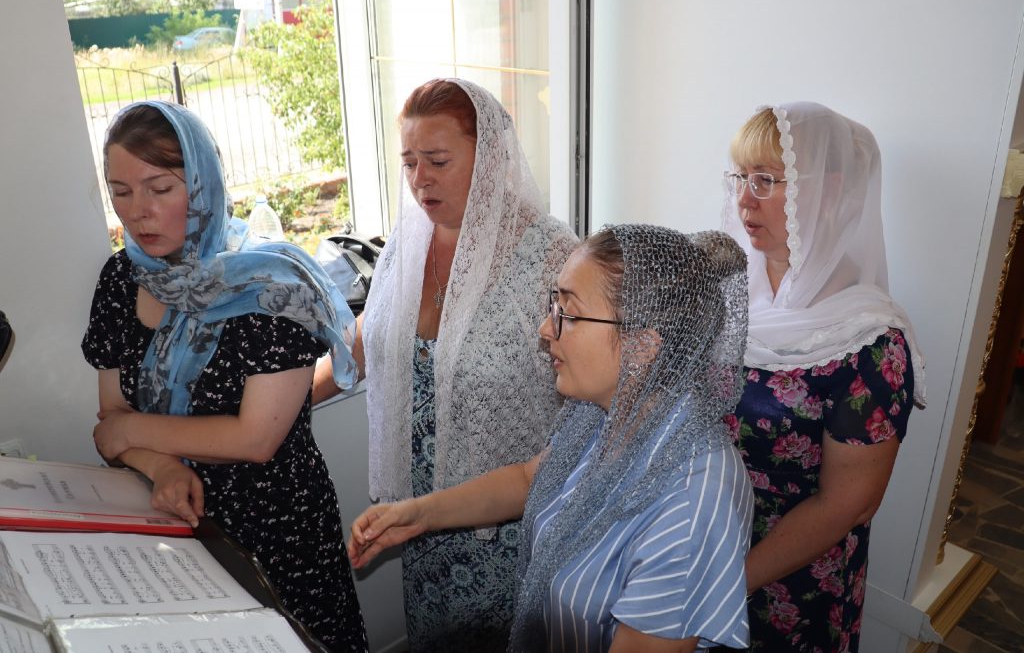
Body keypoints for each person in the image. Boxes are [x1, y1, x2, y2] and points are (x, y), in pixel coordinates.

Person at [349, 225, 754, 652]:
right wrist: (418, 514)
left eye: (570, 314)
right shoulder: (606, 411)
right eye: (553, 304)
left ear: (641, 346)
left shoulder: (692, 501)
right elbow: (531, 480)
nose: (545, 328)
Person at [82, 101, 367, 652]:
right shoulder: (121, 277)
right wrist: (161, 466)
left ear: (202, 185)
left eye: (159, 189)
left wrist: (129, 434)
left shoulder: (272, 288)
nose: (138, 212)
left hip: (276, 531)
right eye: (121, 192)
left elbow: (254, 439)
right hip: (170, 516)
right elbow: (111, 415)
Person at [314, 78, 577, 649]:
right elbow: (370, 336)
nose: (420, 180)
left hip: (509, 520)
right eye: (409, 162)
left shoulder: (553, 254)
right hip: (420, 510)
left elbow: (589, 385)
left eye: (437, 161)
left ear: (492, 158)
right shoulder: (408, 243)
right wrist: (287, 401)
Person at [720, 102, 927, 652]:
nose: (744, 199)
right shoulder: (727, 292)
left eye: (765, 180)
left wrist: (727, 583)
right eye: (740, 177)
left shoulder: (870, 343)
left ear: (827, 192)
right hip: (701, 536)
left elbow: (847, 504)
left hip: (791, 579)